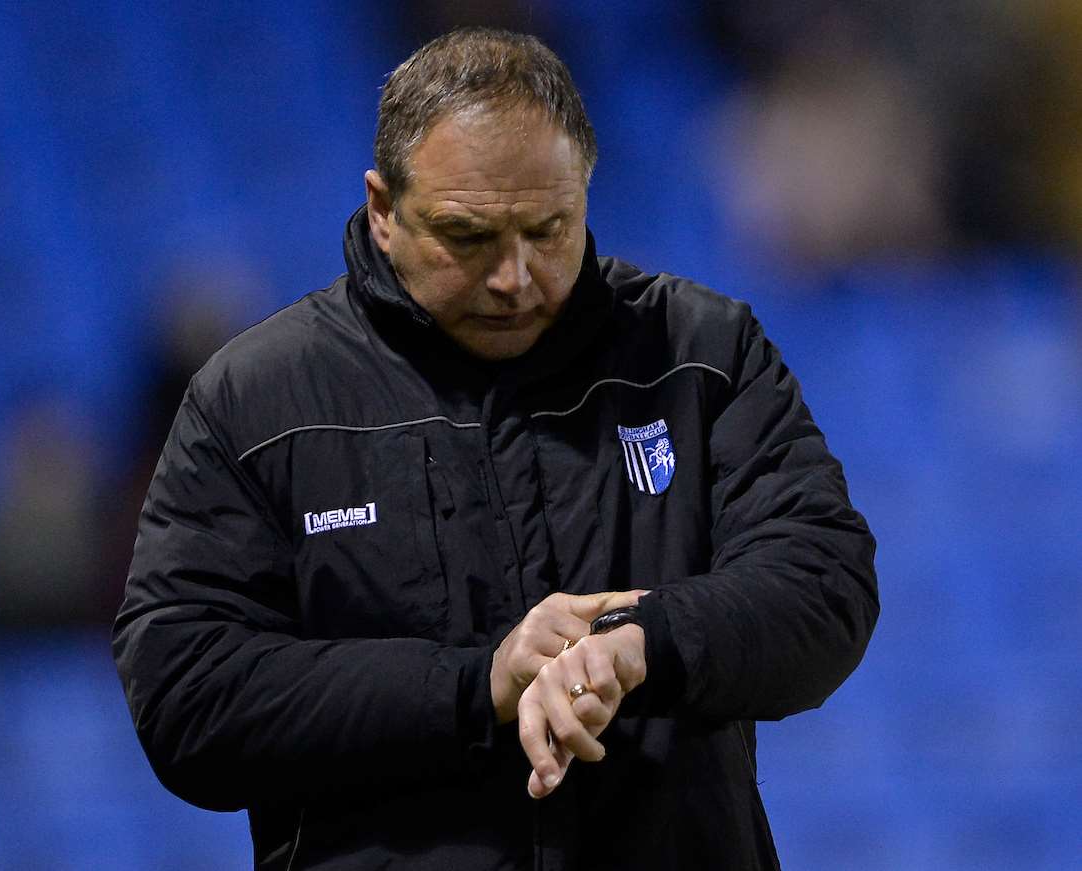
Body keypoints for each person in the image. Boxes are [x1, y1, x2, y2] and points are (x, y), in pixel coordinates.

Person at [112, 27, 878, 871]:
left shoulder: (698, 353)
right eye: (467, 237)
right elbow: (187, 692)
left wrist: (638, 642)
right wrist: (477, 685)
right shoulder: (257, 401)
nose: (515, 277)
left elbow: (822, 582)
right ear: (382, 211)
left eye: (549, 230)